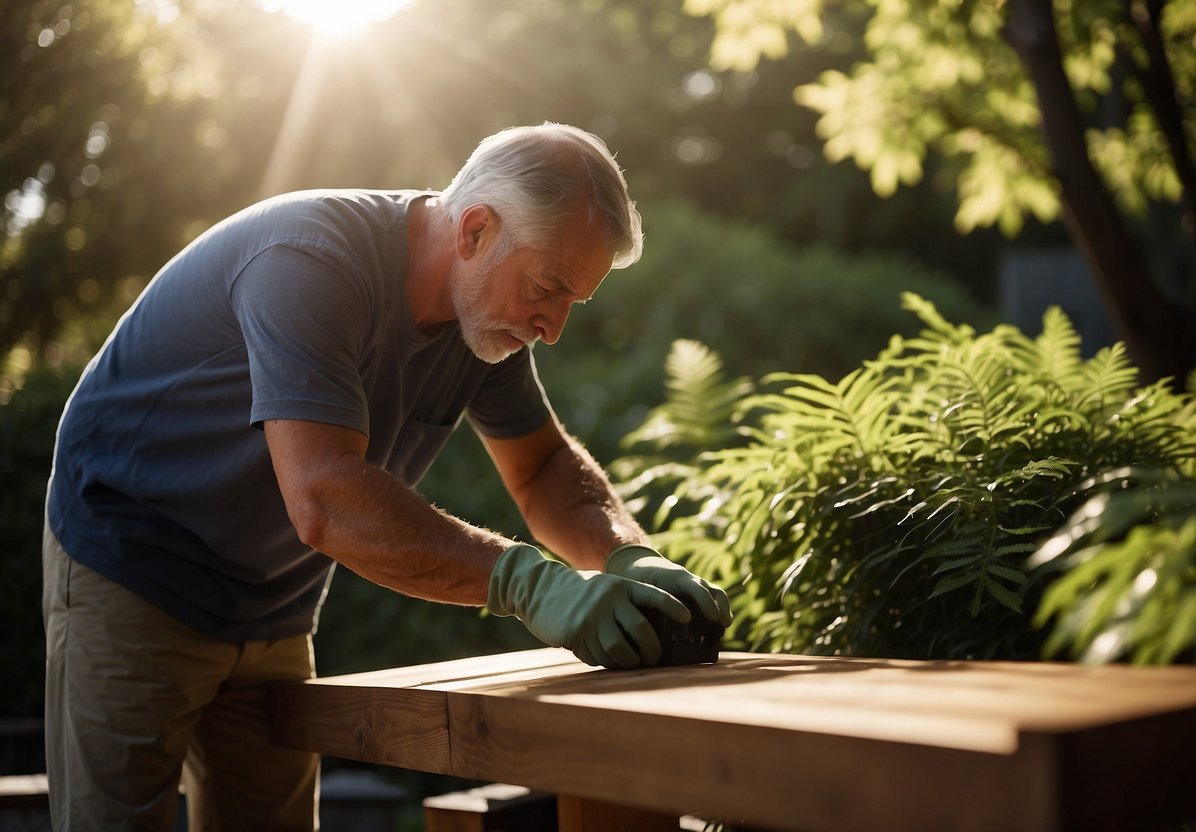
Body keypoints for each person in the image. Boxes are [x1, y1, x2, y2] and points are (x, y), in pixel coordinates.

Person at [42, 122, 731, 831]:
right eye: (548, 288)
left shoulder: (485, 319)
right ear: (473, 231)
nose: (552, 327)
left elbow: (544, 465)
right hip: (131, 570)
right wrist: (532, 583)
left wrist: (630, 555)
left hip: (271, 604)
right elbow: (324, 500)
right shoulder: (310, 261)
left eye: (570, 303)